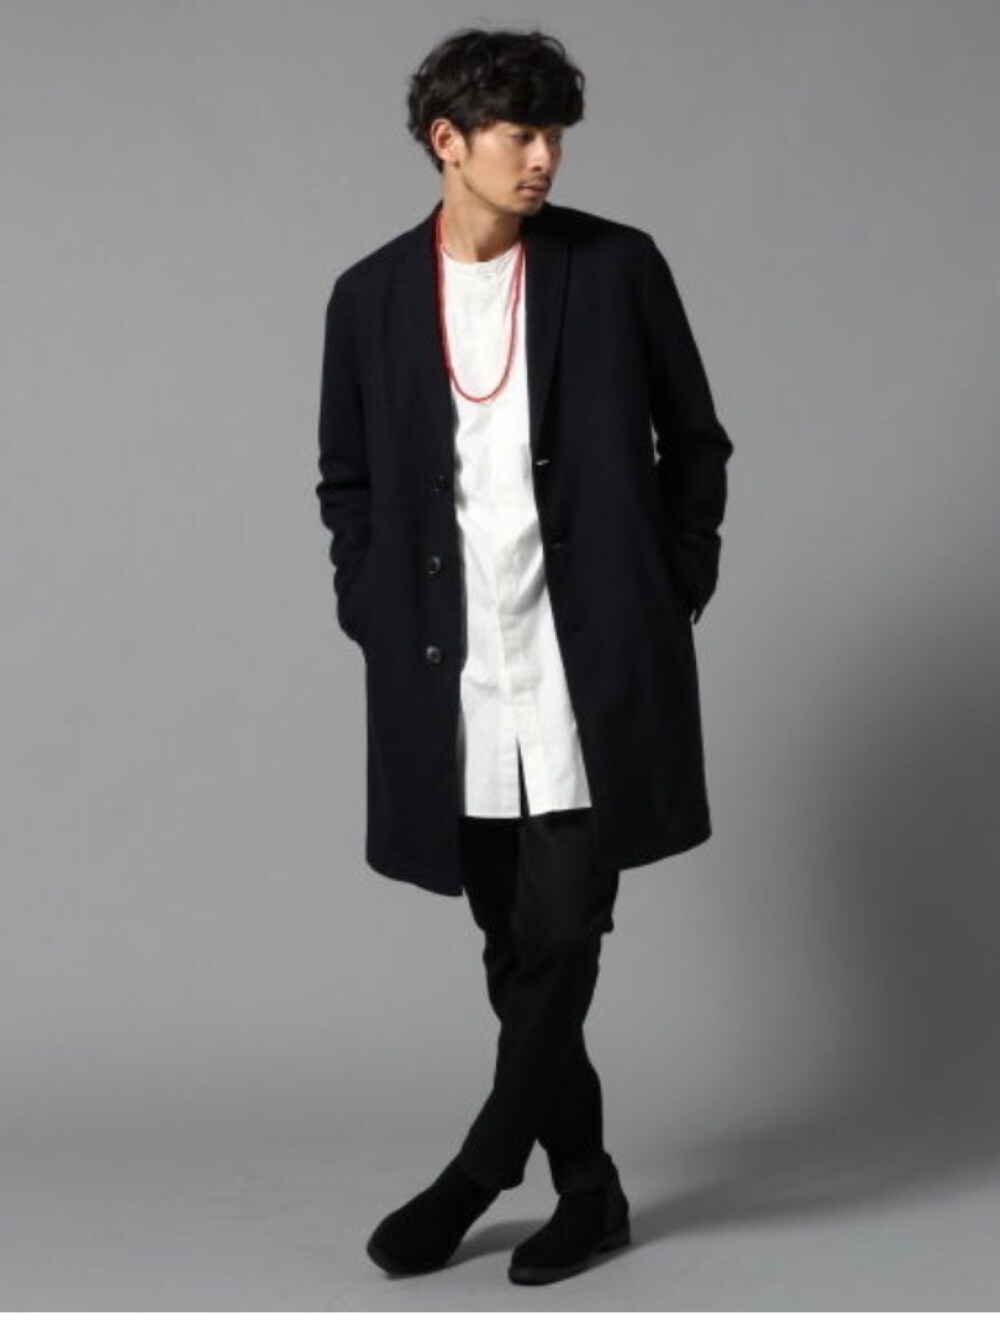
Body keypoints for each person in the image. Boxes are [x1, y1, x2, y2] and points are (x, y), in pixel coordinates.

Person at [314, 26, 733, 1285]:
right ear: (448, 141)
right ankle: (590, 1189)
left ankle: (481, 1166)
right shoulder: (368, 297)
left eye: (555, 133)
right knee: (509, 944)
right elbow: (346, 480)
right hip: (452, 674)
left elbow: (696, 442)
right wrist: (367, 602)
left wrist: (672, 584)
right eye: (519, 133)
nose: (544, 156)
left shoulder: (617, 269)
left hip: (585, 668)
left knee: (562, 929)